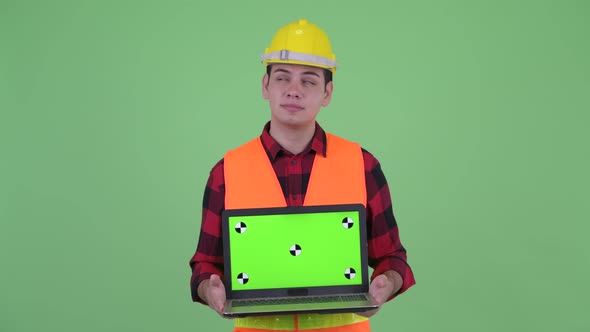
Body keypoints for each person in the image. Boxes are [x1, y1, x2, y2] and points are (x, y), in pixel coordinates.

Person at [189, 18, 415, 332]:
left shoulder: (363, 165)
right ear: (266, 86)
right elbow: (204, 265)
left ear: (327, 92)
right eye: (283, 78)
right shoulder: (226, 172)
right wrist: (208, 289)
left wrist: (386, 283)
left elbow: (392, 257)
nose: (294, 91)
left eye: (308, 81)